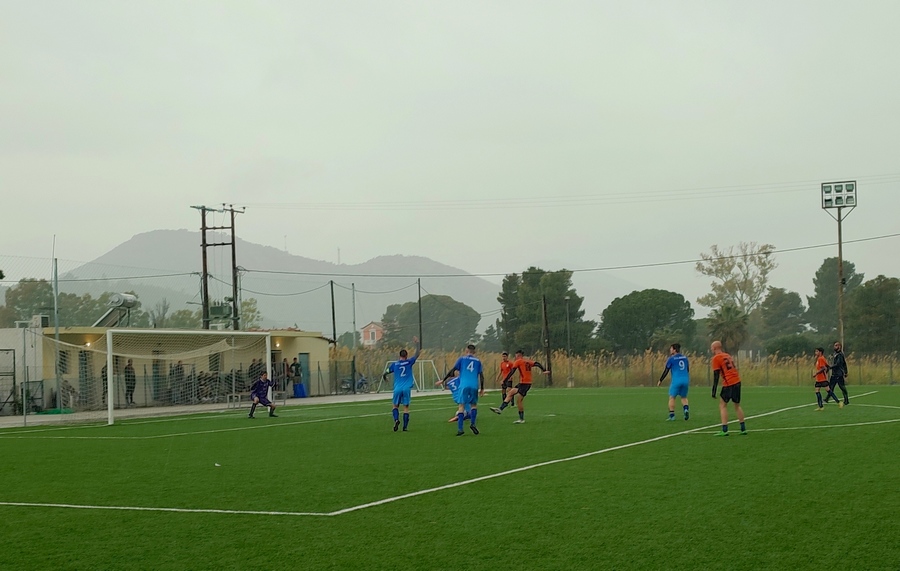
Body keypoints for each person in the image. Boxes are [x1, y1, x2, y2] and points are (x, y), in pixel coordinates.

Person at [490, 349, 549, 423]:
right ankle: (500, 409)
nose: (515, 357)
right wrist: (544, 370)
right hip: (524, 383)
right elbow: (537, 363)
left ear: (518, 355)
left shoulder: (518, 361)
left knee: (519, 400)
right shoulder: (527, 361)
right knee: (510, 393)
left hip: (524, 383)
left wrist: (505, 380)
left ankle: (521, 419)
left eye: (515, 356)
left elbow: (512, 371)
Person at [441, 344, 485, 436]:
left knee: (461, 406)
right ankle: (473, 424)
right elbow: (481, 375)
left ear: (466, 350)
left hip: (464, 385)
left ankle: (460, 429)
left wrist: (443, 380)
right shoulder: (478, 361)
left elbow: (453, 370)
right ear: (474, 352)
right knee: (473, 405)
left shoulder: (462, 359)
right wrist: (482, 388)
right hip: (474, 385)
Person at [382, 337, 421, 432]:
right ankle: (405, 427)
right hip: (406, 388)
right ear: (406, 356)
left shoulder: (395, 365)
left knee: (395, 406)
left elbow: (385, 373)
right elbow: (417, 354)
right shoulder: (409, 362)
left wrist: (385, 378)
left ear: (399, 356)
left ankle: (396, 420)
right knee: (406, 408)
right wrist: (417, 343)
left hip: (397, 388)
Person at [710, 340, 746, 436]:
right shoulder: (727, 355)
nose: (711, 349)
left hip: (729, 383)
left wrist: (713, 390)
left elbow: (716, 375)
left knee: (722, 405)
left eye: (711, 348)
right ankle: (743, 429)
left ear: (715, 348)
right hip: (737, 381)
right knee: (737, 405)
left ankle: (724, 430)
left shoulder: (716, 358)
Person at [657, 343, 690, 421]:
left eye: (671, 348)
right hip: (685, 380)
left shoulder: (671, 359)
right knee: (684, 397)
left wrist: (660, 380)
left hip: (676, 380)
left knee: (672, 397)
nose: (670, 350)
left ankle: (672, 416)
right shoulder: (685, 358)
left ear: (674, 350)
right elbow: (687, 369)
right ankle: (686, 409)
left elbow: (666, 371)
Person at [827, 341, 850, 406]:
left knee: (842, 387)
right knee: (831, 387)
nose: (834, 347)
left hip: (838, 374)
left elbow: (838, 364)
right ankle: (827, 399)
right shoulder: (835, 354)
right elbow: (844, 364)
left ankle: (846, 400)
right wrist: (846, 371)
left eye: (836, 345)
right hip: (834, 373)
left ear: (839, 347)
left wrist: (830, 367)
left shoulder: (840, 355)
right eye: (834, 345)